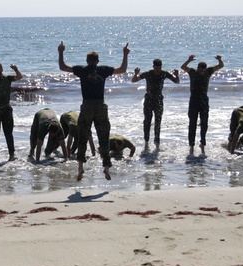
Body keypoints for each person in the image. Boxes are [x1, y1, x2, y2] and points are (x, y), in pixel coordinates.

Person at [58, 41, 130, 180]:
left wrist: (61, 51)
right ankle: (106, 167)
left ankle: (80, 168)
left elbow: (63, 67)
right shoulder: (103, 70)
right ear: (97, 61)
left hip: (87, 107)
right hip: (100, 107)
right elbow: (122, 69)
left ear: (87, 61)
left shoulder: (81, 70)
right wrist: (125, 54)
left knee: (82, 138)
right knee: (103, 138)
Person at [181, 54, 225, 154]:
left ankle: (202, 144)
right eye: (200, 70)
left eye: (203, 70)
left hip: (204, 100)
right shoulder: (192, 72)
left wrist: (219, 60)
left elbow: (221, 66)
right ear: (198, 68)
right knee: (192, 123)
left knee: (204, 123)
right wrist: (188, 60)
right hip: (193, 100)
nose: (202, 72)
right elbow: (183, 67)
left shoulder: (208, 71)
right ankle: (191, 145)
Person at [132, 59, 180, 150]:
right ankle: (146, 142)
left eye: (159, 68)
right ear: (153, 67)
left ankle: (157, 143)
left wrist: (177, 76)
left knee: (158, 122)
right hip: (149, 99)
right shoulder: (148, 73)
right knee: (147, 121)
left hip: (158, 100)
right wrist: (135, 74)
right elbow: (134, 80)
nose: (157, 70)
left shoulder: (164, 73)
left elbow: (176, 81)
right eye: (156, 68)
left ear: (161, 67)